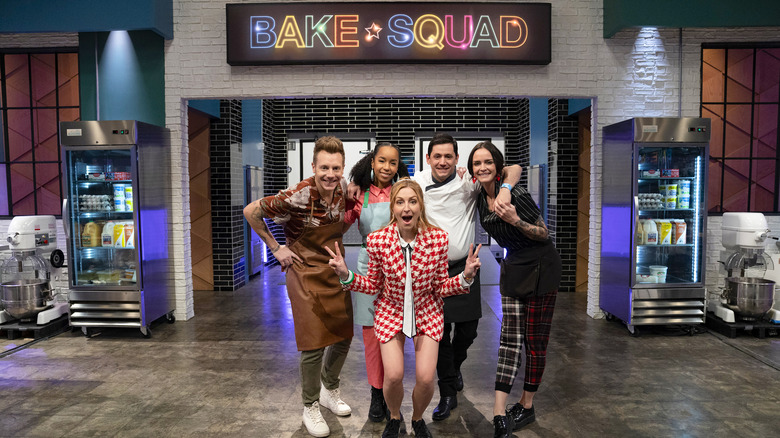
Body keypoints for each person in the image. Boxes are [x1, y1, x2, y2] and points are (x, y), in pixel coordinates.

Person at [326, 179, 482, 438]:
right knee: (394, 375)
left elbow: (440, 287)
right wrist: (346, 274)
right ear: (393, 207)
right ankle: (395, 416)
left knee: (424, 378)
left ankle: (418, 418)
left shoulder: (438, 239)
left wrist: (465, 276)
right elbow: (374, 284)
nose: (406, 207)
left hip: (427, 311)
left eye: (412, 201)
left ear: (421, 206)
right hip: (391, 311)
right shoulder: (378, 241)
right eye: (400, 202)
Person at [243, 136, 353, 438]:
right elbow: (251, 210)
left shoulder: (341, 189)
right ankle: (310, 405)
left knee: (344, 335)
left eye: (336, 168)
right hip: (303, 272)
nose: (330, 174)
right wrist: (275, 247)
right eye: (324, 168)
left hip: (334, 269)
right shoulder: (299, 194)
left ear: (342, 168)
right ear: (313, 166)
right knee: (313, 341)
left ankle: (330, 389)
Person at [412, 133, 522, 422]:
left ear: (457, 159)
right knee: (439, 337)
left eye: (449, 156)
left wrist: (507, 189)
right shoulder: (418, 183)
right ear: (428, 158)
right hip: (430, 272)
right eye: (437, 156)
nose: (443, 161)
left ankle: (454, 367)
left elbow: (512, 168)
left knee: (468, 330)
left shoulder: (468, 182)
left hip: (466, 266)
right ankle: (448, 392)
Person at [466, 141, 562, 438]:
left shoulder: (516, 193)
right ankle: (498, 410)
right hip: (514, 266)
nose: (482, 167)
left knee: (534, 343)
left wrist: (515, 220)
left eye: (487, 162)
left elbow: (544, 233)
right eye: (476, 163)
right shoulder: (481, 195)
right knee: (509, 340)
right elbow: (514, 169)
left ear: (497, 166)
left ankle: (526, 404)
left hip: (540, 266)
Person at [343, 142, 410, 422]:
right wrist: (344, 193)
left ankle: (391, 391)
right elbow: (340, 223)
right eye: (382, 161)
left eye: (392, 163)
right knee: (371, 337)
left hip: (398, 270)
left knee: (395, 335)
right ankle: (375, 393)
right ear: (372, 162)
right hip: (367, 268)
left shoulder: (403, 193)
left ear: (398, 167)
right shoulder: (360, 194)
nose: (386, 167)